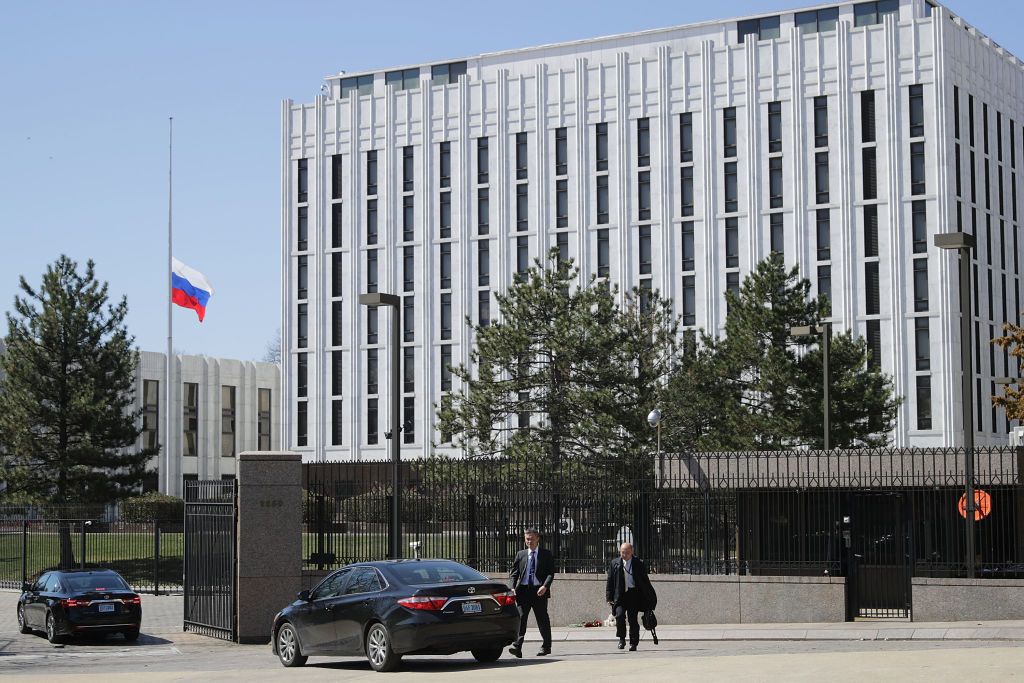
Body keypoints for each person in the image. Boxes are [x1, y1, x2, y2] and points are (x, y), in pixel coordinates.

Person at [508, 528, 555, 657]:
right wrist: (512, 587)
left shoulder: (546, 554)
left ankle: (546, 646)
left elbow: (551, 573)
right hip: (523, 591)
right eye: (527, 539)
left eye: (532, 539)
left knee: (542, 619)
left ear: (537, 539)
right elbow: (514, 574)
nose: (529, 541)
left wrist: (545, 586)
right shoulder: (521, 554)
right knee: (521, 618)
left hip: (539, 591)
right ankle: (517, 646)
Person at [605, 542, 655, 651]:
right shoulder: (615, 563)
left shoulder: (638, 563)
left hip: (633, 595)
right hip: (620, 595)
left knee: (633, 619)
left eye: (627, 552)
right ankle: (622, 639)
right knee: (619, 615)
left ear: (632, 552)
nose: (625, 554)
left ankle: (633, 643)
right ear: (620, 552)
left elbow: (645, 581)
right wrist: (609, 597)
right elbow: (610, 581)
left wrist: (648, 597)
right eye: (623, 552)